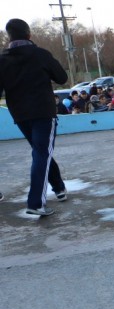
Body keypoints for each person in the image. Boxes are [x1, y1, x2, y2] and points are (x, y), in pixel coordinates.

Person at [0, 19, 68, 216]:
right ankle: (36, 202)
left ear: (9, 37)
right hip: (43, 112)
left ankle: (59, 189)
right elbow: (62, 78)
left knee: (41, 151)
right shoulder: (40, 54)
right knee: (41, 152)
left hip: (20, 114)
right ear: (29, 35)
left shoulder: (2, 60)